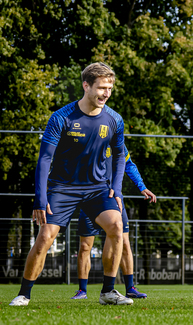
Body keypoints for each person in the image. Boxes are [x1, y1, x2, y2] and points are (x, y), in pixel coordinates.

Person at [10, 62, 132, 306]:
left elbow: (120, 155)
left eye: (110, 88)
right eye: (101, 88)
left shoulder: (115, 120)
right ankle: (24, 294)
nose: (106, 93)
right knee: (45, 237)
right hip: (62, 188)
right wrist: (40, 198)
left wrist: (116, 188)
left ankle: (108, 291)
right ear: (86, 86)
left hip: (97, 189)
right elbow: (45, 158)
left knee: (117, 226)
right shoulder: (61, 117)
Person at [71, 145, 157, 300]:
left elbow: (129, 164)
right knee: (85, 246)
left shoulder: (118, 143)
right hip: (90, 199)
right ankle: (82, 291)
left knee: (124, 243)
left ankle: (130, 288)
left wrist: (142, 187)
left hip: (114, 200)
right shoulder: (89, 137)